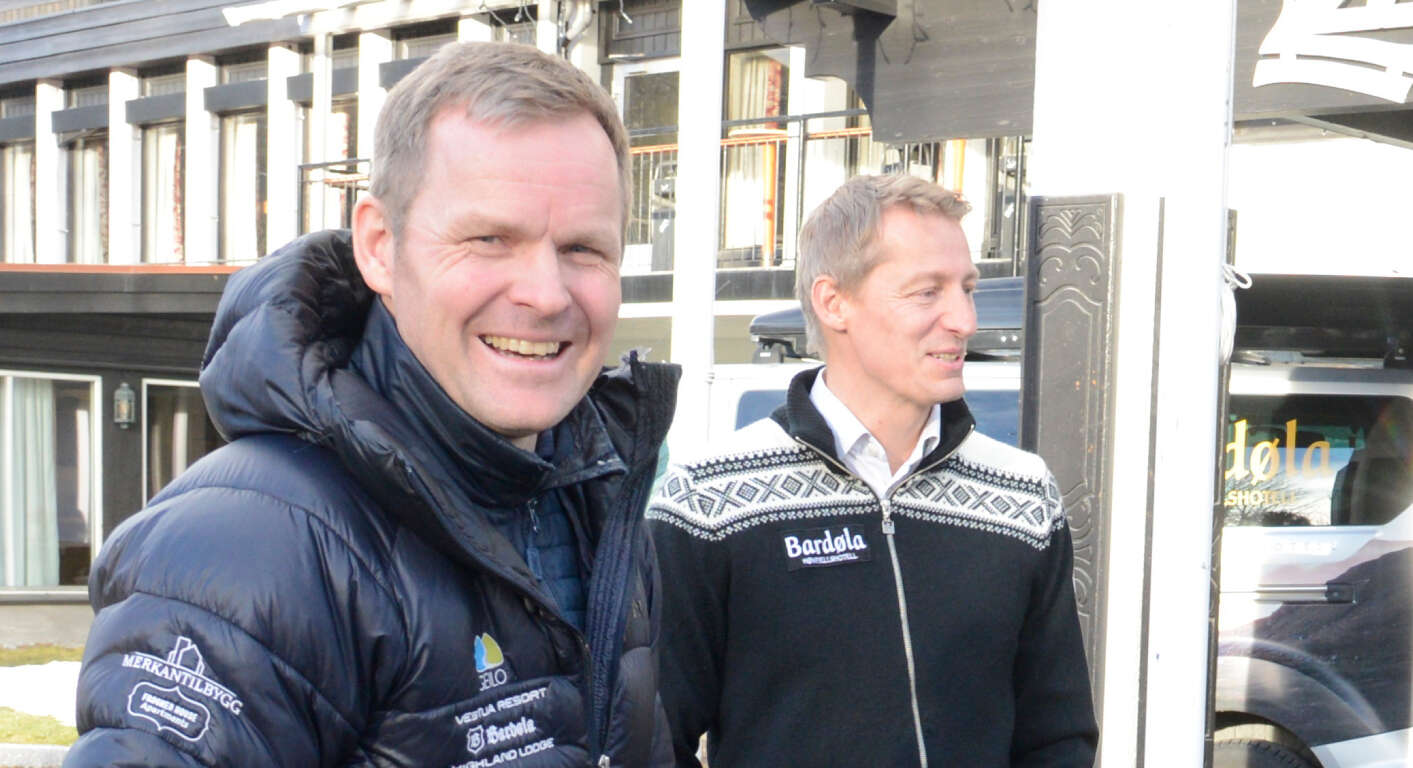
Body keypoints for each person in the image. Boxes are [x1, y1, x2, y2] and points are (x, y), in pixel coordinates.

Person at [67, 42, 677, 767]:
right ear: (380, 247)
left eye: (582, 249)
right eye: (490, 239)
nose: (546, 295)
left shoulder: (599, 505)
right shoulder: (250, 550)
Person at [647, 174, 1098, 767]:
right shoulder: (709, 499)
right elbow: (655, 743)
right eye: (927, 292)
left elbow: (1057, 738)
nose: (964, 319)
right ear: (834, 302)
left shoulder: (1023, 492)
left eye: (966, 288)